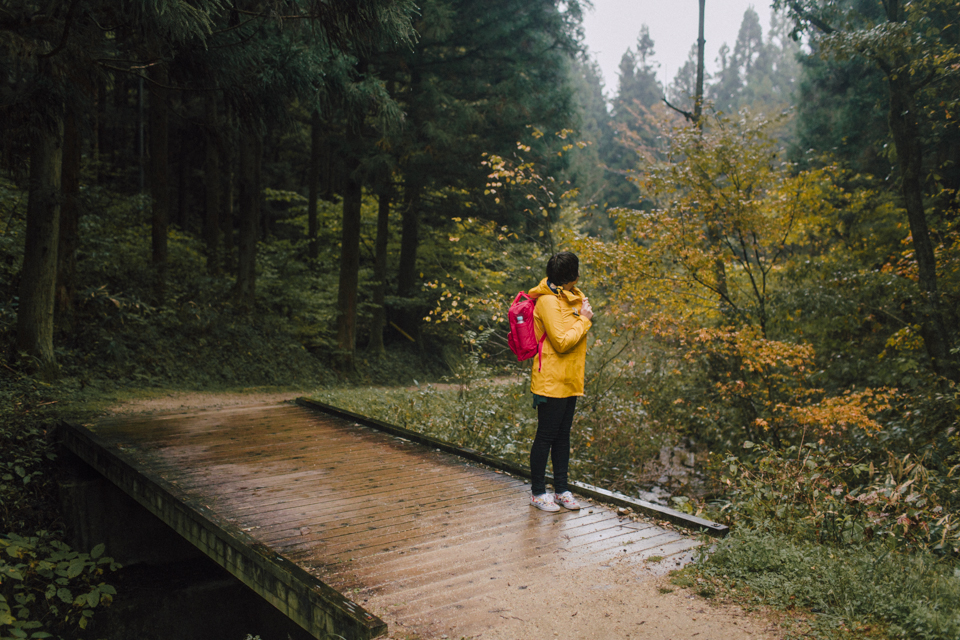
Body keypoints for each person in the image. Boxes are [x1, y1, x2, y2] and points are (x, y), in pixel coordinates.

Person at [526, 251, 593, 512]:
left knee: (563, 436)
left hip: (570, 379)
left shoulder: (568, 296)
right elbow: (563, 343)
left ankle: (562, 490)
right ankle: (538, 492)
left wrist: (581, 314)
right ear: (570, 276)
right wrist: (585, 320)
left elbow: (571, 330)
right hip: (551, 379)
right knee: (546, 436)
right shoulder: (547, 302)